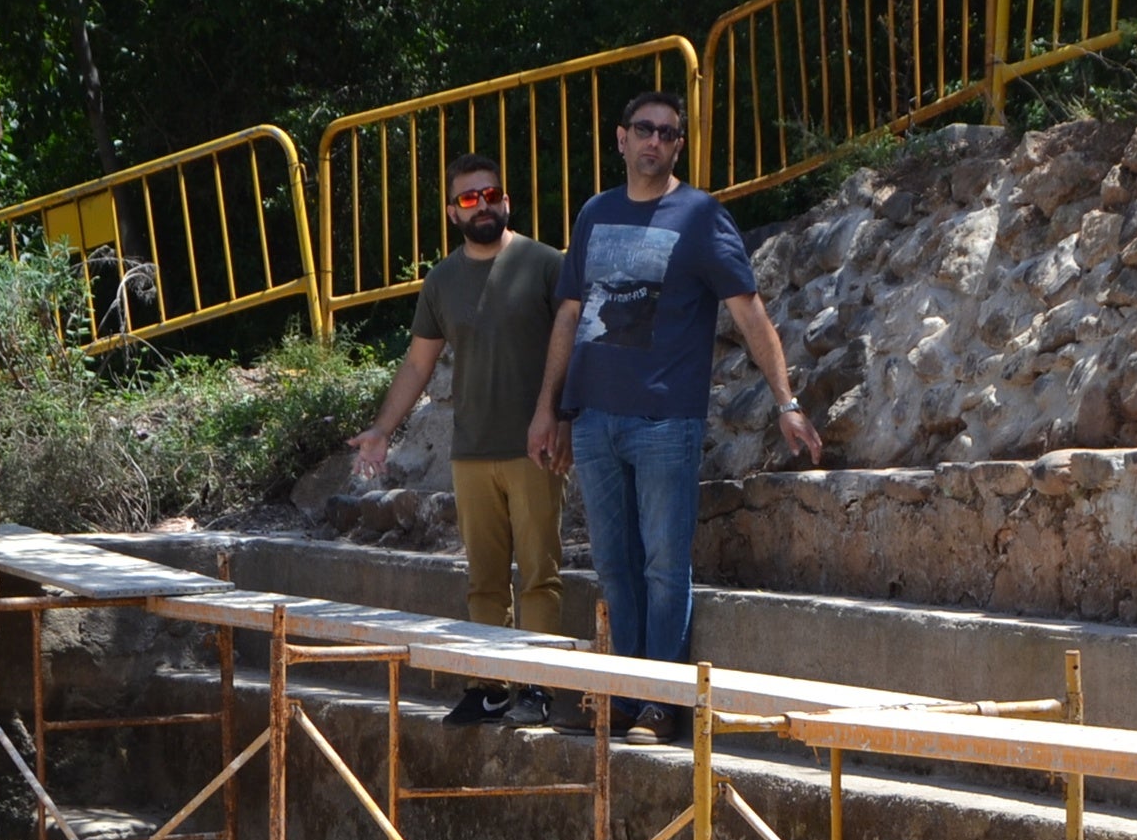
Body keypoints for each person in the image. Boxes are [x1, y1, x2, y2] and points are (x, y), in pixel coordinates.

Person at [528, 90, 820, 742]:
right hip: (596, 420)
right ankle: (626, 696)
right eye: (645, 130)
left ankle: (666, 701)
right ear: (621, 138)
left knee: (664, 563)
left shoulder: (700, 217)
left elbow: (749, 311)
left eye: (669, 133)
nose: (656, 141)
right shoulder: (594, 215)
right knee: (613, 563)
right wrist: (551, 409)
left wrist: (786, 401)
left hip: (665, 422)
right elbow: (571, 314)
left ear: (678, 146)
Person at [349, 152, 569, 727]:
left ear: (507, 201)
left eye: (490, 194)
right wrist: (380, 430)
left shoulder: (546, 263)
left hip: (534, 446)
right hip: (471, 452)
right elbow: (419, 364)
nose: (482, 205)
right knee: (484, 579)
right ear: (453, 212)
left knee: (540, 572)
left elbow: (572, 346)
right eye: (469, 198)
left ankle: (540, 686)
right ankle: (488, 686)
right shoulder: (442, 280)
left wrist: (562, 418)